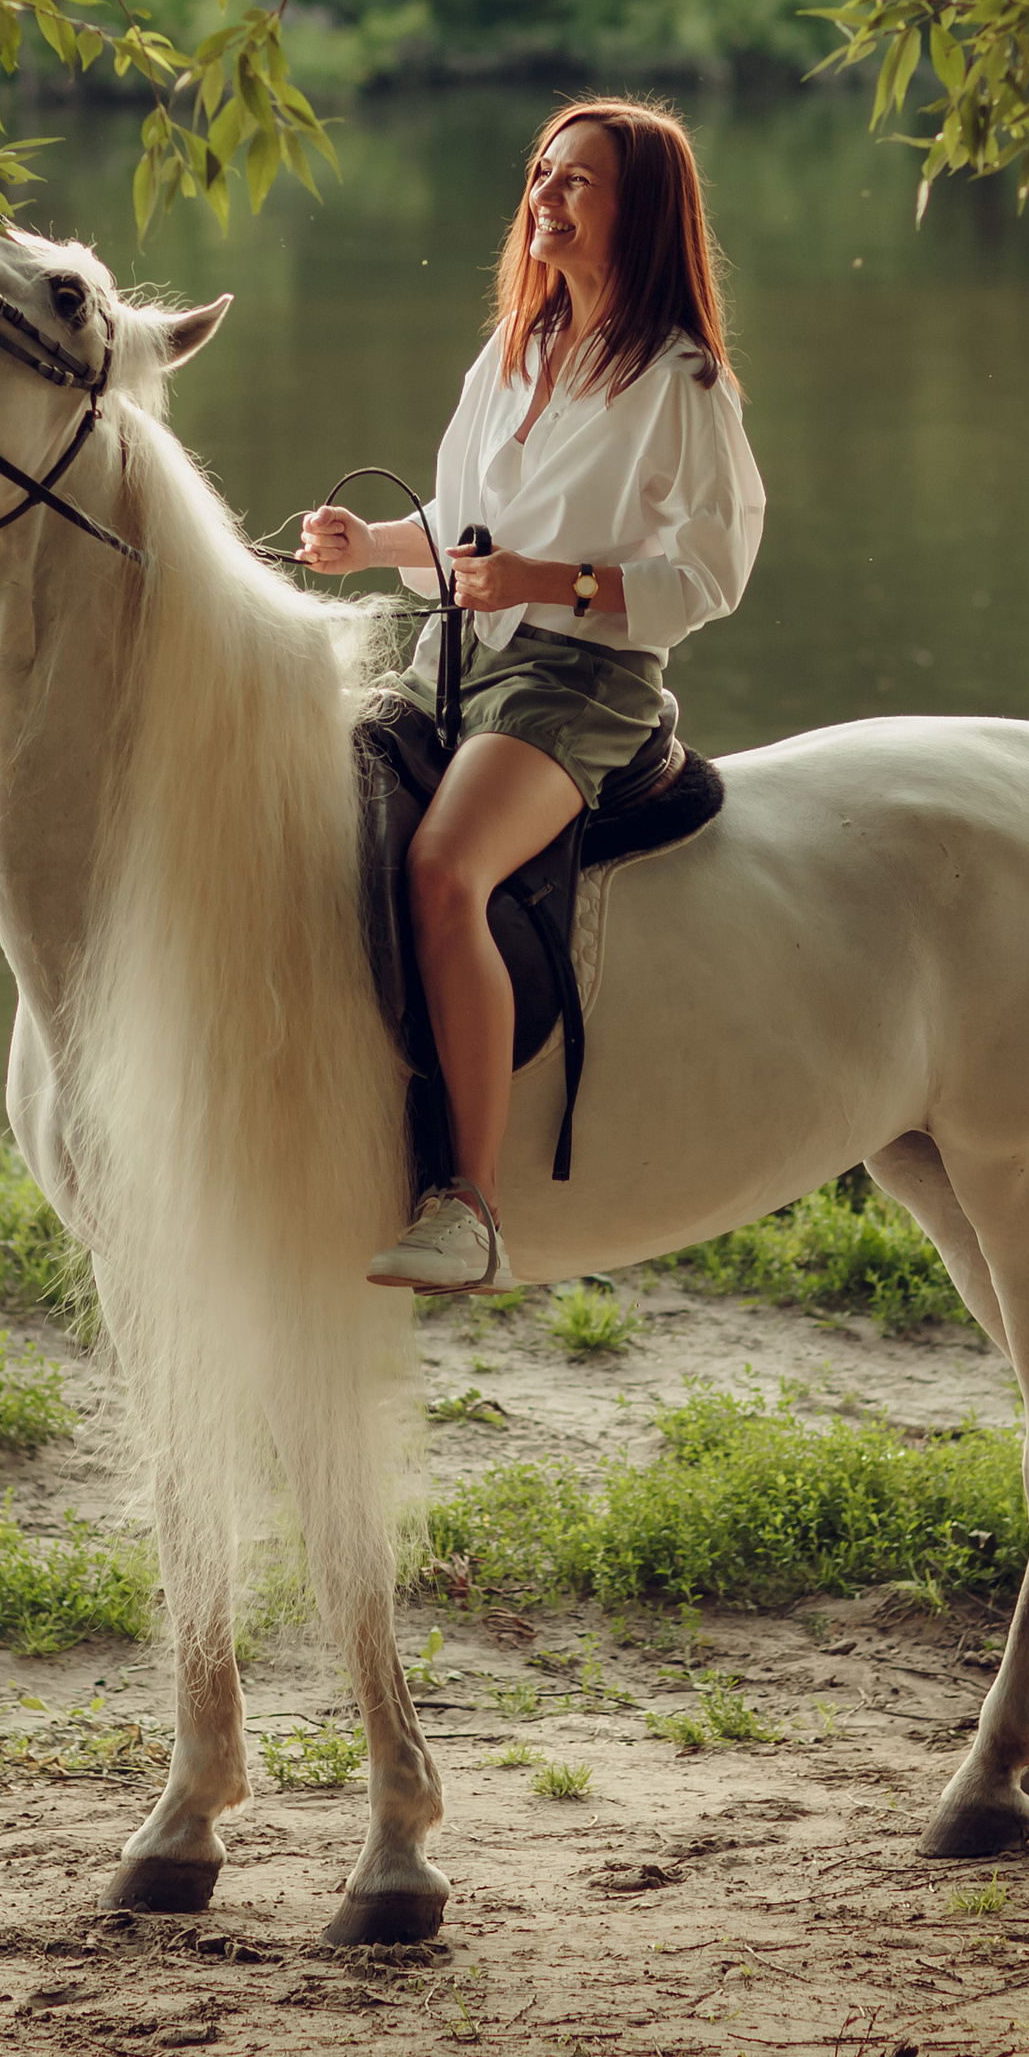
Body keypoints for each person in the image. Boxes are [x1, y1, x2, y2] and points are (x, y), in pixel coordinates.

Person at [301, 100, 765, 1290]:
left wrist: (550, 579)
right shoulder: (508, 352)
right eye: (540, 174)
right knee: (308, 801)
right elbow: (465, 540)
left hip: (580, 677)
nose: (546, 196)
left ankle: (471, 1206)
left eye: (579, 182)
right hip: (452, 652)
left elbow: (715, 574)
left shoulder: (683, 382)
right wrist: (373, 546)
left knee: (448, 869)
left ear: (641, 211)